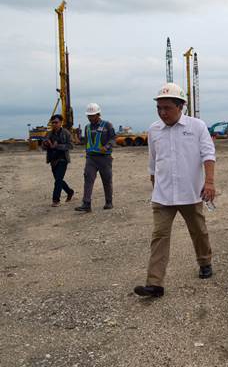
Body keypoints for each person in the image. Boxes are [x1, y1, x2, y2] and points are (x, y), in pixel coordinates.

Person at [134, 83, 216, 298]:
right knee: (159, 236)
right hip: (163, 195)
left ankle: (205, 262)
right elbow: (153, 163)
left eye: (167, 108)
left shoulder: (197, 127)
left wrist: (209, 183)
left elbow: (208, 155)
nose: (163, 113)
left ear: (181, 106)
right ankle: (155, 283)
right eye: (159, 108)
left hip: (190, 193)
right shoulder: (154, 130)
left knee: (198, 231)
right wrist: (155, 189)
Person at [74, 103, 116, 212]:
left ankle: (109, 202)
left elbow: (113, 139)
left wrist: (107, 147)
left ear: (98, 114)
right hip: (91, 158)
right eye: (89, 116)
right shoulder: (87, 127)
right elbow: (87, 142)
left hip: (104, 158)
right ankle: (86, 204)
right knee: (88, 179)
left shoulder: (107, 125)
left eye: (92, 115)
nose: (90, 118)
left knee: (106, 180)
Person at [42, 114, 75, 206]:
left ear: (61, 123)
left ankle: (55, 200)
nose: (54, 124)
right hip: (53, 160)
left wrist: (58, 146)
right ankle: (69, 192)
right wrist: (46, 144)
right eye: (52, 122)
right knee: (58, 180)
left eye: (56, 122)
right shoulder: (48, 134)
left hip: (63, 159)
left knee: (58, 180)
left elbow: (71, 145)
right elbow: (43, 147)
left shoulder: (66, 133)